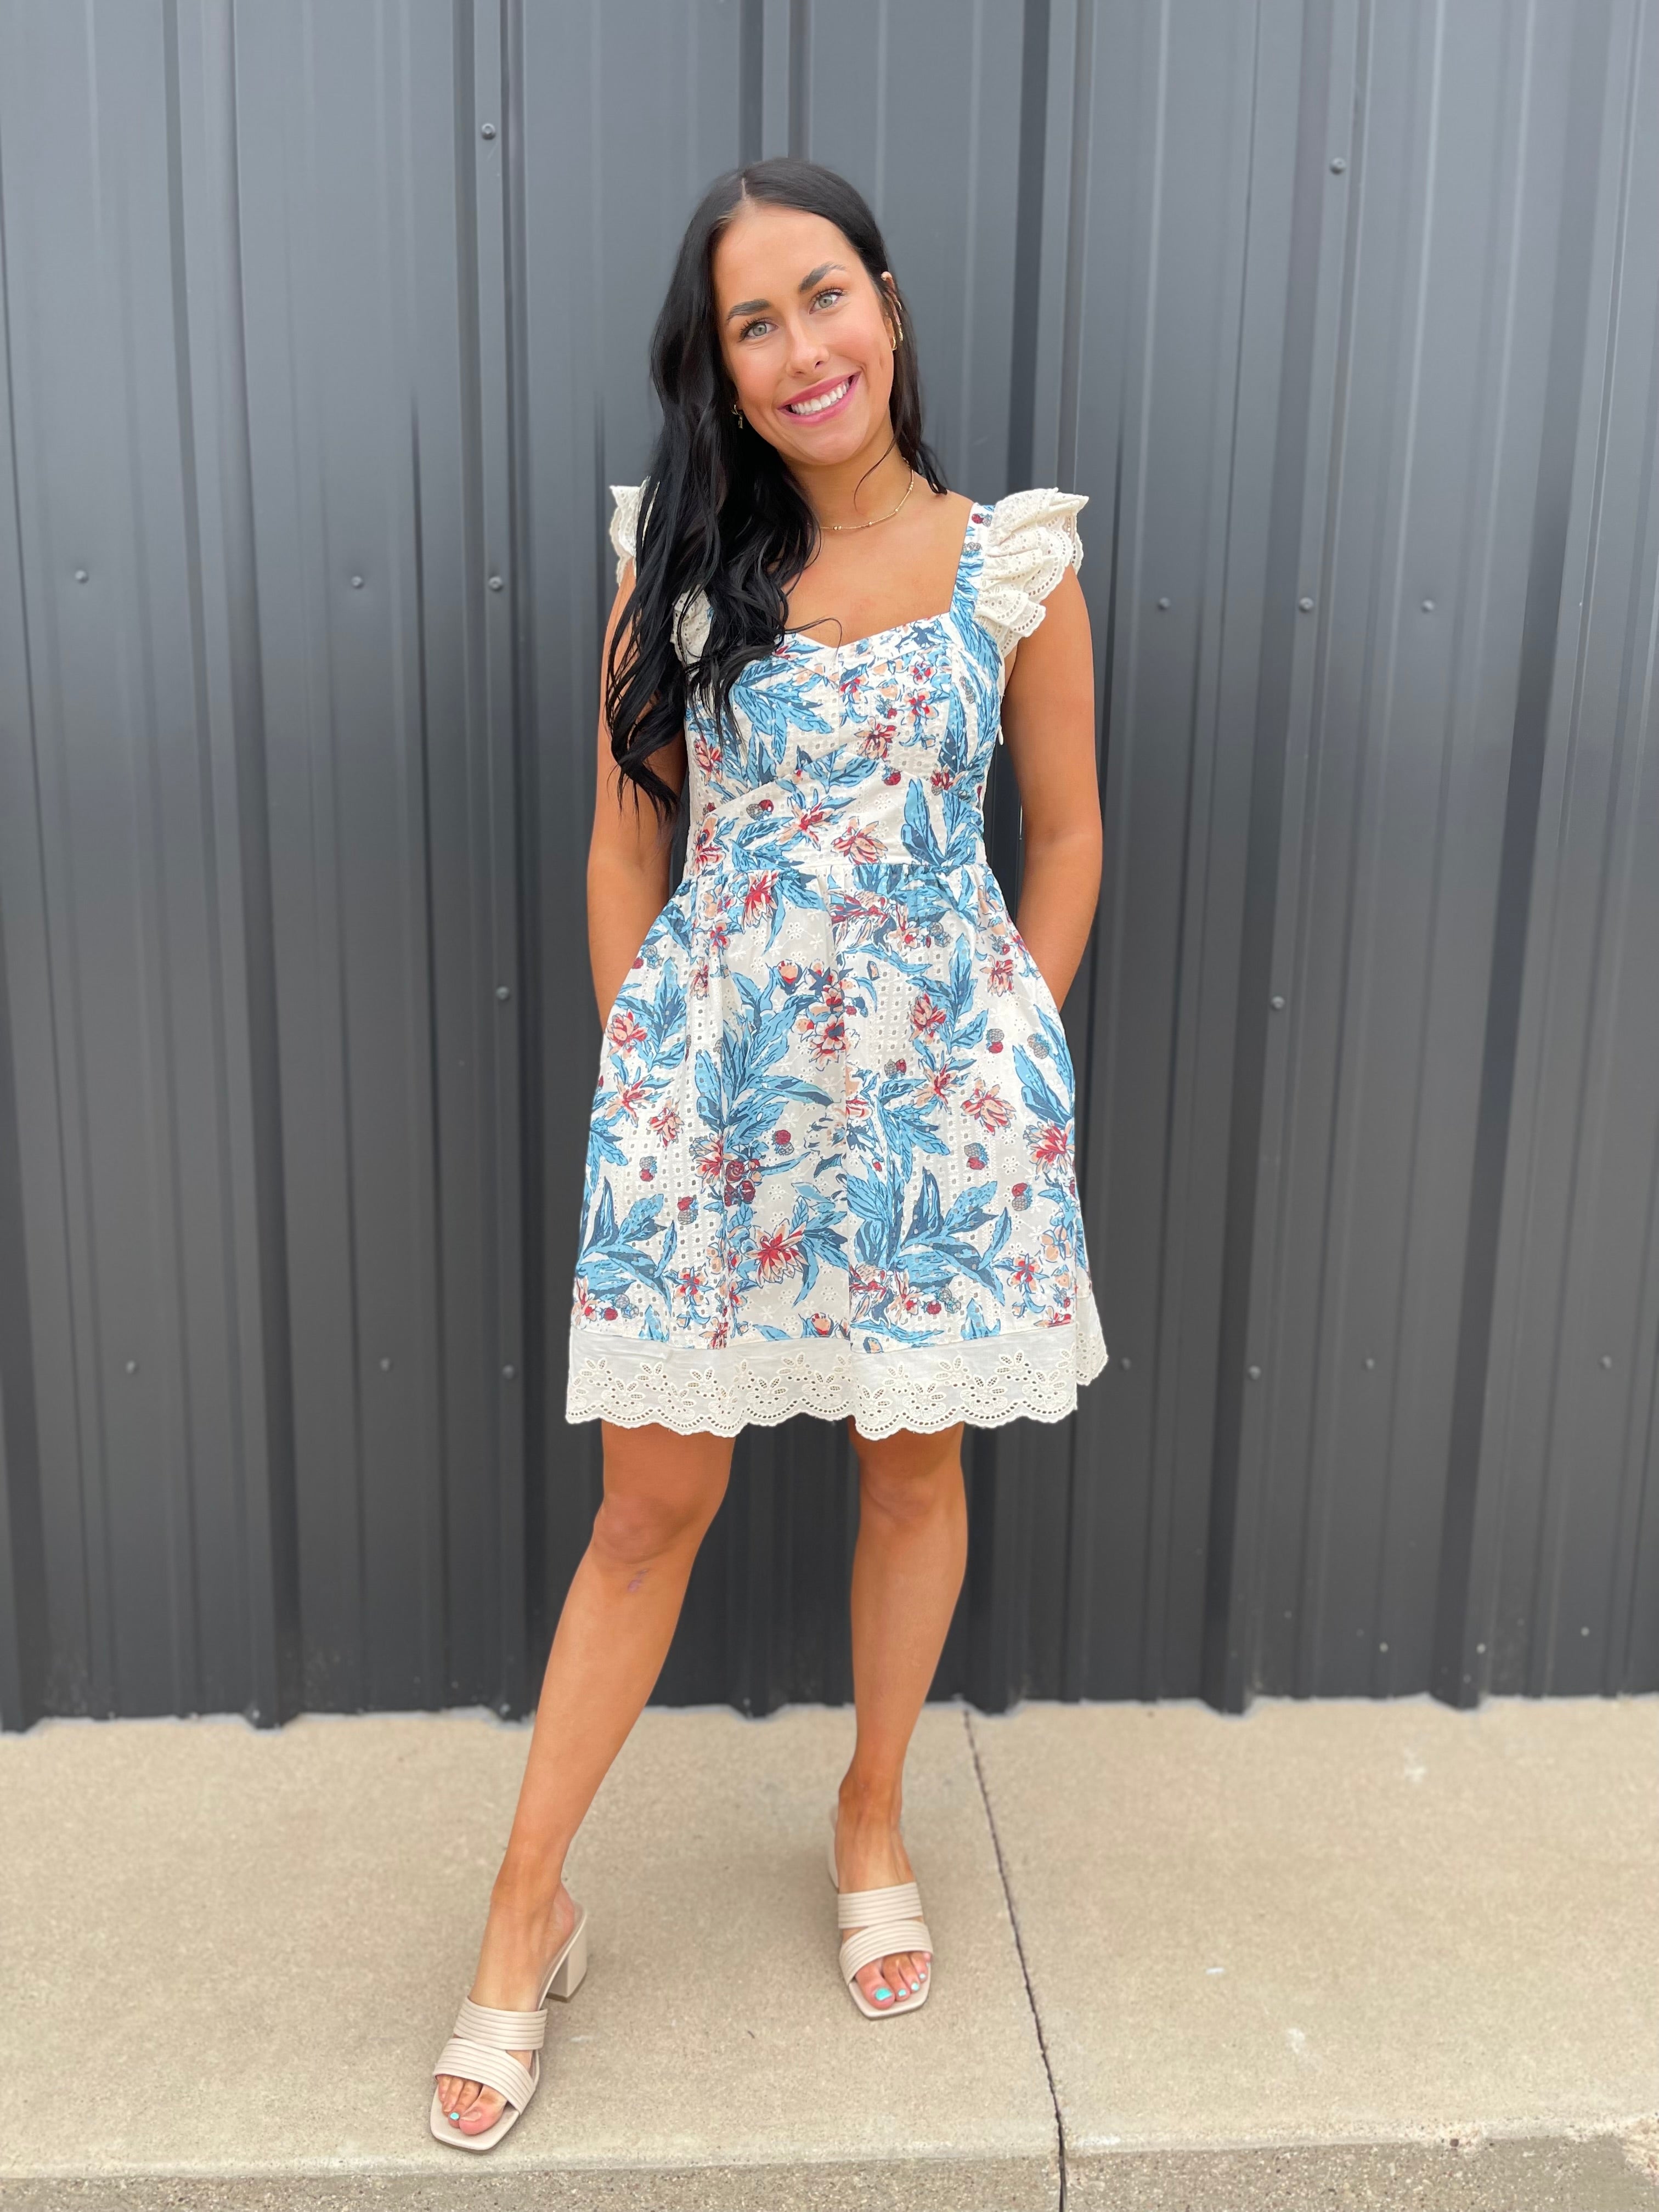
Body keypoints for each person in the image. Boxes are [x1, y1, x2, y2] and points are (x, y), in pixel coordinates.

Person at [431, 156, 1107, 2152]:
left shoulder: (1010, 566)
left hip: (935, 1118)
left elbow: (1066, 832)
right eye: (755, 322)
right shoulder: (678, 565)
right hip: (711, 1113)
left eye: (825, 296)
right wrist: (641, 1059)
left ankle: (871, 1809)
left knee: (913, 1468)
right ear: (720, 367)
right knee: (649, 1510)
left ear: (887, 307)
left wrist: (1012, 1048)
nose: (803, 347)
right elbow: (625, 836)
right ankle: (524, 1906)